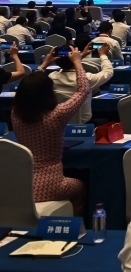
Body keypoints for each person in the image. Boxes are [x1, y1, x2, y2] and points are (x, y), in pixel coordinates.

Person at [12, 47, 90, 216]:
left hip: (21, 182)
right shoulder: (56, 114)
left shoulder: (15, 113)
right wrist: (77, 62)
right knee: (81, 186)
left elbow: (28, 87)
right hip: (51, 185)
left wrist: (44, 65)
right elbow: (83, 90)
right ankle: (75, 224)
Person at [41, 40, 114, 124]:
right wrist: (103, 55)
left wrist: (81, 55)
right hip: (84, 124)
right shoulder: (86, 79)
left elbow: (67, 66)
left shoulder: (52, 77)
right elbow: (108, 72)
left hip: (59, 122)